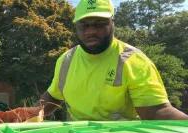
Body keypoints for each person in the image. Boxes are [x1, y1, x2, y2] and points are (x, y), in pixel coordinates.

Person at [40, 0, 188, 121]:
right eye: (84, 25)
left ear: (112, 23)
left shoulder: (134, 60)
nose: (91, 31)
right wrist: (23, 115)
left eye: (99, 24)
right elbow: (53, 96)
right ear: (76, 27)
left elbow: (156, 111)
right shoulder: (66, 60)